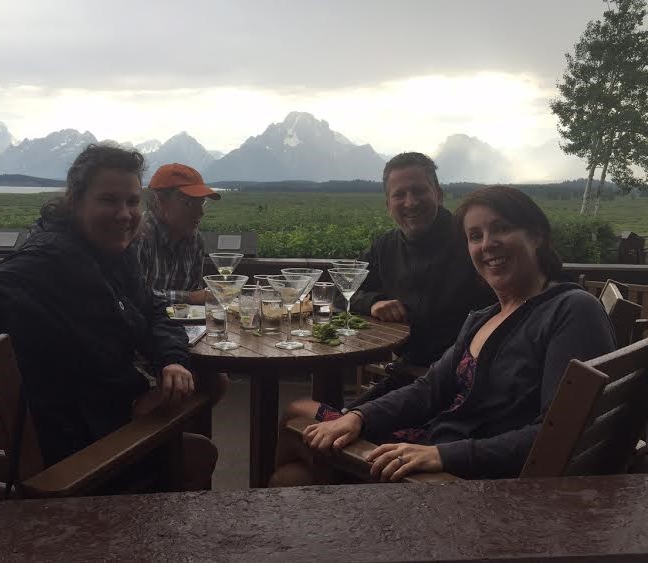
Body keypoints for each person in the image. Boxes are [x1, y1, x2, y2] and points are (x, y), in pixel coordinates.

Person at [0, 144, 217, 491]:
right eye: (108, 200)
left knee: (201, 395)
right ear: (75, 202)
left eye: (132, 201)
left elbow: (152, 309)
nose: (124, 214)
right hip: (79, 453)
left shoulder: (112, 255)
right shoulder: (49, 262)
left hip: (103, 414)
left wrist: (171, 359)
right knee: (196, 454)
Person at [271, 185, 616, 485]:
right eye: (475, 236)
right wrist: (359, 417)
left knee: (296, 431)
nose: (488, 244)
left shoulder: (570, 310)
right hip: (430, 449)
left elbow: (562, 432)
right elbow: (428, 390)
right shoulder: (484, 318)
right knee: (294, 471)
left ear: (538, 235)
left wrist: (443, 455)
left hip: (458, 479)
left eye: (502, 228)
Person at [343, 153, 493, 374]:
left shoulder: (472, 242)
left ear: (438, 195)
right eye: (399, 195)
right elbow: (342, 291)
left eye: (419, 191)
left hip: (465, 378)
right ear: (388, 205)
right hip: (405, 372)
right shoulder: (383, 247)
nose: (411, 202)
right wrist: (372, 303)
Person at [139, 163, 220, 305]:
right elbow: (133, 296)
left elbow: (196, 295)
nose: (200, 212)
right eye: (190, 203)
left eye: (201, 202)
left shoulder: (195, 241)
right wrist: (189, 298)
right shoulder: (138, 237)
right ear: (160, 201)